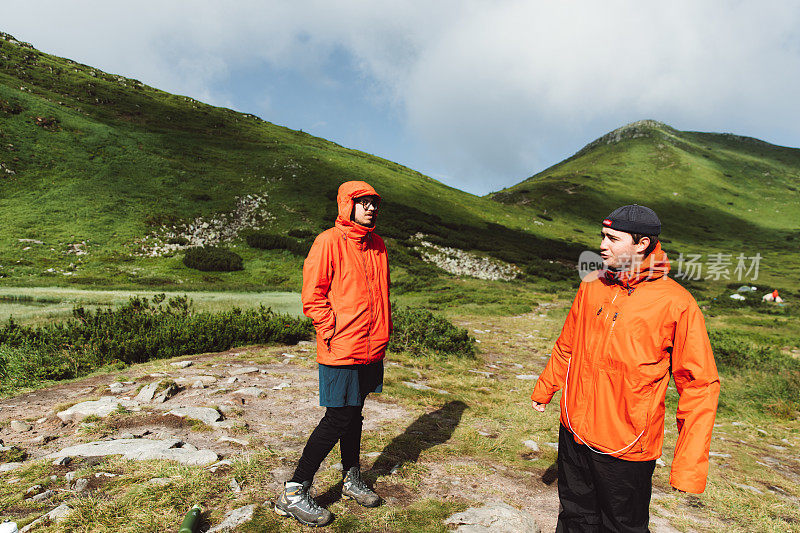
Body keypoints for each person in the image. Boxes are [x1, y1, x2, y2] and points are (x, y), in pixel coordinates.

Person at [531, 204, 720, 533]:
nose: (602, 245)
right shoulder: (592, 283)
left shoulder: (677, 302)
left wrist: (688, 468)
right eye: (602, 236)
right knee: (574, 518)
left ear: (642, 244)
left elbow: (699, 385)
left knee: (621, 527)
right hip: (574, 429)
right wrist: (546, 387)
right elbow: (568, 343)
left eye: (612, 238)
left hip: (626, 443)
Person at [275, 180, 391, 527]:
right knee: (338, 418)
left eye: (374, 202)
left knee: (354, 414)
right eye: (363, 202)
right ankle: (293, 491)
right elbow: (313, 296)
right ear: (347, 205)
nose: (370, 207)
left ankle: (351, 477)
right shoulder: (328, 242)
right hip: (341, 347)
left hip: (370, 349)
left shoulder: (379, 246)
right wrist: (332, 331)